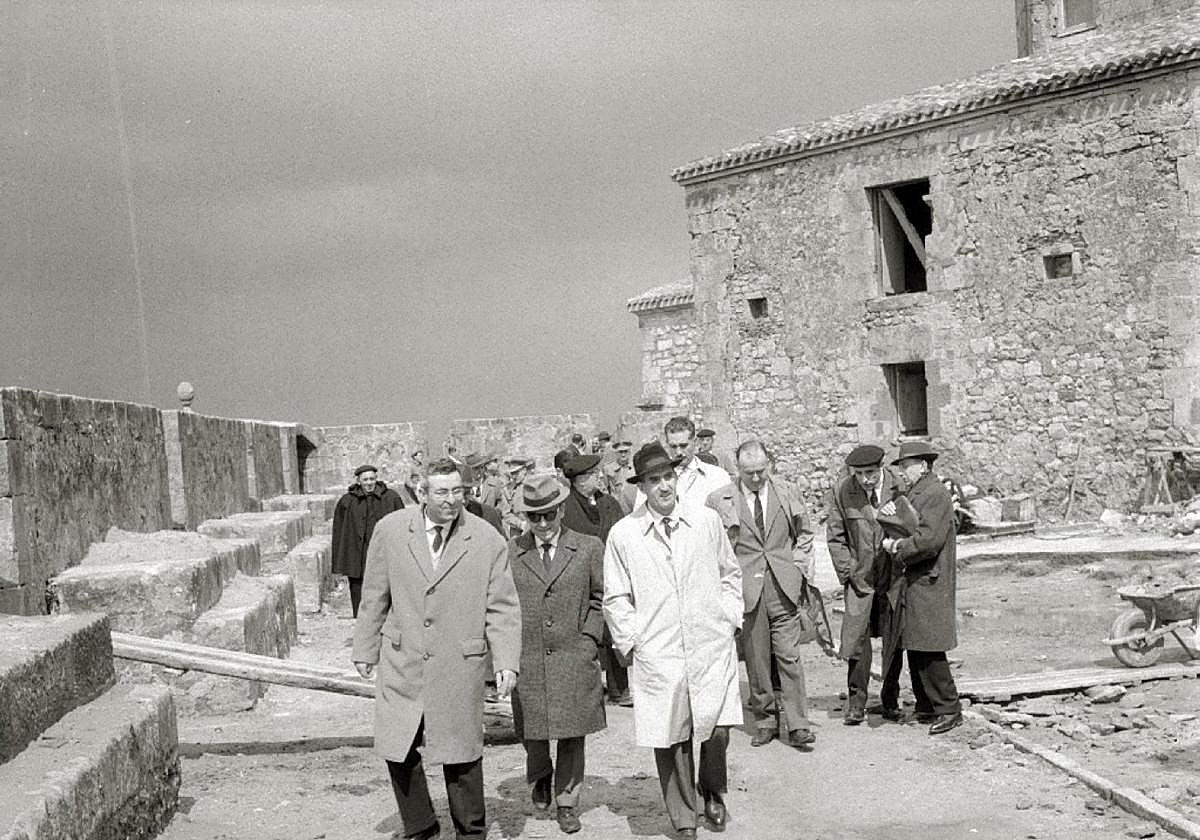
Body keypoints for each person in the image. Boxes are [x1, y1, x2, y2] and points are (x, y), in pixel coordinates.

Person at [352, 458, 521, 840]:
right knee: (398, 745)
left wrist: (507, 660)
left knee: (461, 752)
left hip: (459, 661)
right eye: (441, 492)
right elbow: (375, 593)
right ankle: (420, 824)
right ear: (422, 493)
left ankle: (470, 831)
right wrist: (364, 646)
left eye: (457, 491)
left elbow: (503, 606)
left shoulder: (486, 538)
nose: (450, 500)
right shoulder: (391, 531)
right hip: (403, 657)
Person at [604, 442, 743, 838]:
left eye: (668, 476)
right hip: (659, 649)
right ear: (641, 487)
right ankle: (684, 817)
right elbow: (616, 596)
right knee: (671, 734)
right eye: (653, 480)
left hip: (709, 642)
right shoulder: (625, 535)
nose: (663, 486)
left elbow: (729, 573)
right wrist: (631, 642)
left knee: (717, 727)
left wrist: (731, 616)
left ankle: (712, 791)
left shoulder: (705, 522)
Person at [507, 473, 606, 834]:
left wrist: (589, 639)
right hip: (528, 657)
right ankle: (540, 774)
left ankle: (567, 801)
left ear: (561, 509)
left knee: (571, 732)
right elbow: (502, 606)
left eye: (550, 514)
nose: (544, 524)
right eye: (535, 517)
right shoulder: (512, 553)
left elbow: (600, 598)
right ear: (525, 518)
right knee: (531, 729)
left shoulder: (589, 547)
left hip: (573, 655)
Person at [706, 440, 817, 749]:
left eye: (761, 471)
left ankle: (798, 724)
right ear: (737, 470)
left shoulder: (787, 491)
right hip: (746, 590)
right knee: (756, 659)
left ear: (770, 465)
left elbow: (805, 533)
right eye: (748, 472)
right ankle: (766, 720)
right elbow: (710, 545)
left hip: (783, 586)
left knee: (789, 656)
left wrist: (797, 565)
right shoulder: (719, 500)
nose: (756, 478)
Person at [880, 441, 964, 735]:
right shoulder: (917, 492)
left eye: (905, 466)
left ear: (924, 466)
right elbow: (906, 521)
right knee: (916, 645)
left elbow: (928, 540)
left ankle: (949, 708)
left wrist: (897, 547)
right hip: (918, 581)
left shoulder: (934, 494)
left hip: (929, 580)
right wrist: (889, 512)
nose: (901, 472)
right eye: (901, 467)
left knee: (929, 648)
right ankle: (927, 705)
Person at [826, 444, 902, 725]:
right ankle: (857, 702)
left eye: (870, 473)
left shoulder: (899, 485)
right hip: (861, 578)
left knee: (894, 639)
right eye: (859, 474)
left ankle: (891, 700)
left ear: (881, 467)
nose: (865, 479)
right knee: (858, 640)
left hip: (893, 575)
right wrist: (848, 573)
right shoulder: (843, 491)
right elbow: (835, 537)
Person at [561, 453, 631, 707]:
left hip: (611, 575)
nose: (597, 478)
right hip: (578, 579)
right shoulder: (566, 508)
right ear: (578, 481)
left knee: (614, 630)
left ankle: (619, 689)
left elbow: (625, 533)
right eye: (591, 476)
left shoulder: (609, 503)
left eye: (597, 474)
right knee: (583, 634)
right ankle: (583, 690)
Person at [332, 464, 404, 618]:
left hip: (384, 553)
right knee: (358, 589)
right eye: (365, 479)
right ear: (359, 481)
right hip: (358, 554)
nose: (369, 482)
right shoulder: (347, 501)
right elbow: (339, 532)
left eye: (372, 479)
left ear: (376, 479)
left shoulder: (391, 498)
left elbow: (403, 527)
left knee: (385, 588)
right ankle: (361, 622)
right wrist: (339, 562)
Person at [634, 417, 731, 511]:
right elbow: (641, 515)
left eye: (683, 445)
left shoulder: (718, 476)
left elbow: (729, 517)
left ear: (695, 442)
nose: (679, 452)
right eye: (673, 446)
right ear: (667, 445)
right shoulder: (652, 480)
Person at [561, 454, 626, 544]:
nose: (600, 475)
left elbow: (624, 534)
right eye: (594, 472)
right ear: (581, 480)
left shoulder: (610, 502)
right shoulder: (565, 510)